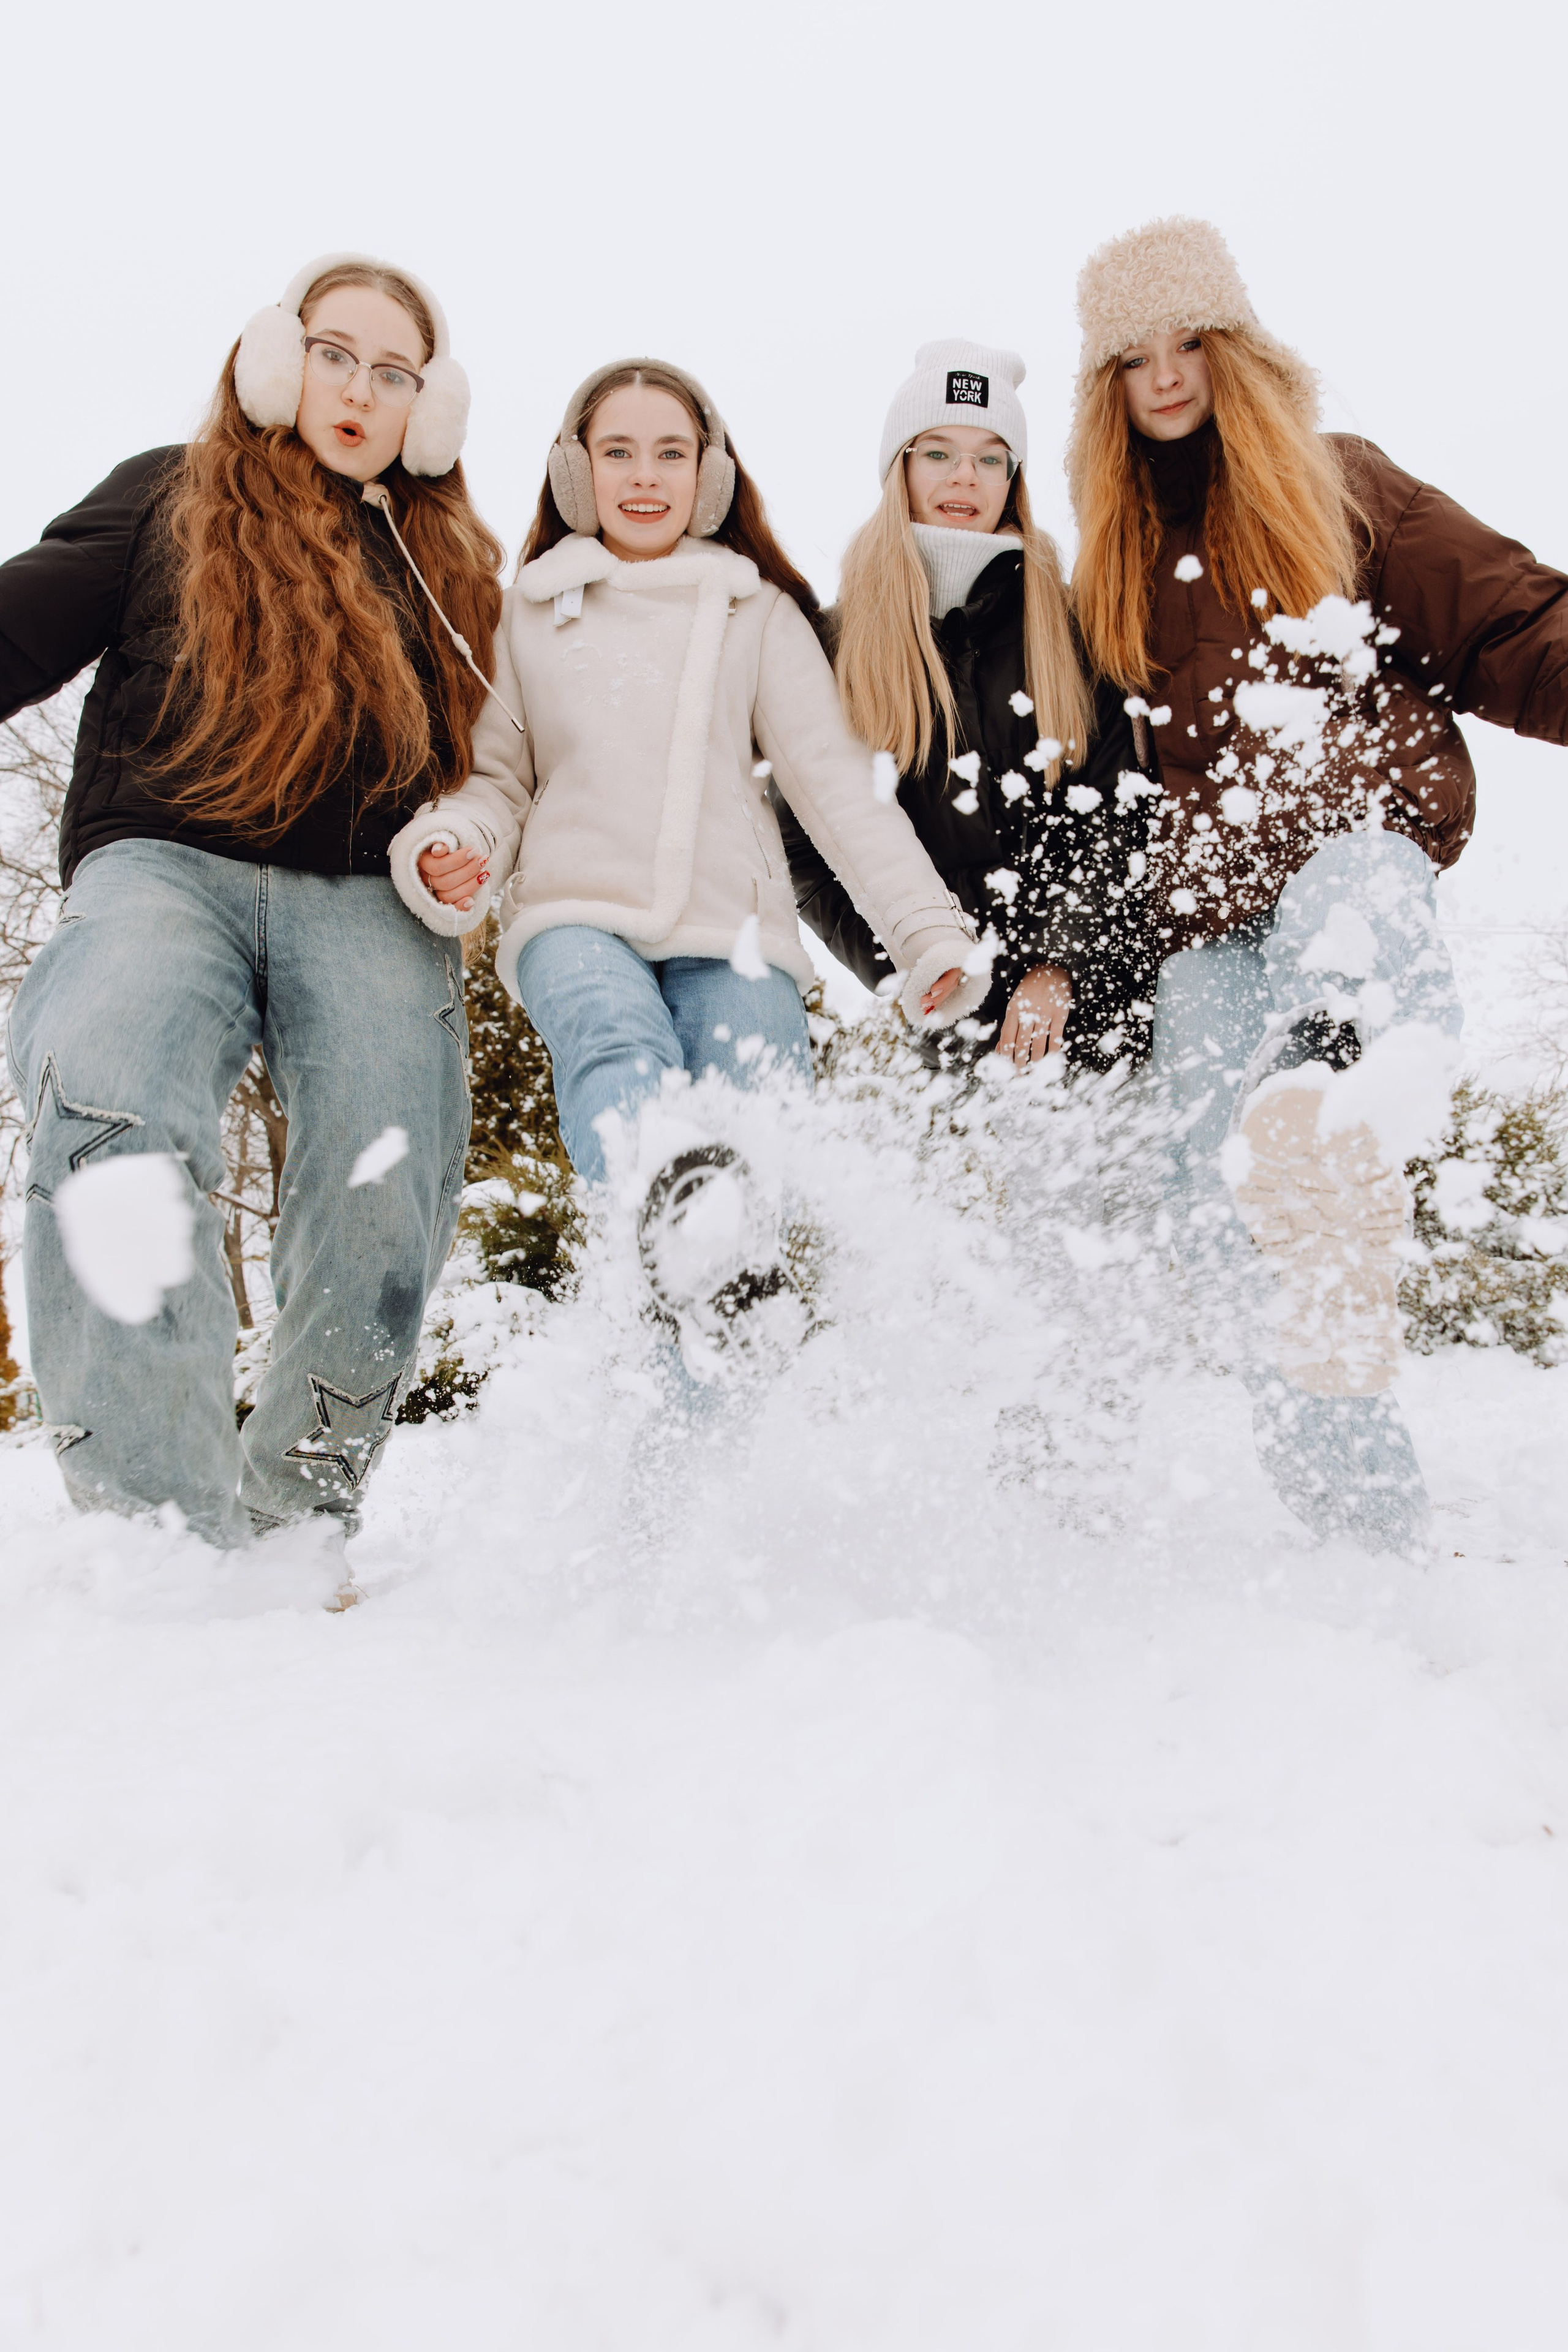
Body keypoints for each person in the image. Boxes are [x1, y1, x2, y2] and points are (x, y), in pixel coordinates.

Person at [1068, 215, 1568, 1551]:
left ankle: (1333, 1074)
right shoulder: (1109, 557)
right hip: (1208, 920)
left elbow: (1511, 621)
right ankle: (1363, 1535)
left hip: (1348, 834)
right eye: (1133, 356)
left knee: (1347, 934)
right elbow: (1093, 781)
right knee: (1233, 1218)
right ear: (1105, 386)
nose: (1164, 374)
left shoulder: (1338, 484)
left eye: (1188, 343)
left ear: (1234, 349)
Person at [2, 252, 510, 1554]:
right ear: (277, 362)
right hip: (165, 867)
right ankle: (159, 1535)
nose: (359, 391)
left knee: (386, 1175)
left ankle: (294, 1525)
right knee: (109, 1093)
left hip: (367, 895)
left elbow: (502, 767)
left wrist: (462, 840)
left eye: (393, 373)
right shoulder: (170, 496)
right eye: (334, 356)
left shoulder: (450, 569)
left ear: (430, 409)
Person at [399, 358, 988, 1372]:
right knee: (616, 1047)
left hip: (733, 928)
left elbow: (837, 791)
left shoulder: (755, 615)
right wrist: (458, 845)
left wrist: (924, 931)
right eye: (619, 452)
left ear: (708, 477)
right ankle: (660, 1209)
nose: (645, 476)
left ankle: (720, 1411)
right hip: (575, 913)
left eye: (671, 454)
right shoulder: (526, 613)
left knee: (755, 1143)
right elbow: (494, 781)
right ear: (576, 472)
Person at [777, 339, 1158, 1074]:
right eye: (938, 453)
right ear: (900, 467)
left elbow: (1118, 815)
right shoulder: (833, 646)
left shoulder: (1073, 627)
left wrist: (1059, 964)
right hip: (952, 1033)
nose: (964, 477)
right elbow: (803, 846)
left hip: (1099, 1006)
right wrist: (912, 968)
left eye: (990, 458)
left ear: (1013, 480)